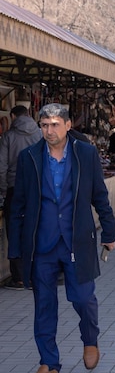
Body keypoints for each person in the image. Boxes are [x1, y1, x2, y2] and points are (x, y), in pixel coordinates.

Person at [8, 103, 115, 373]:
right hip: (41, 244)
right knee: (44, 305)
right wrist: (16, 248)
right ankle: (49, 361)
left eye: (55, 124)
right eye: (44, 125)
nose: (49, 130)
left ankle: (90, 339)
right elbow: (18, 203)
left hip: (75, 241)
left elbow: (99, 195)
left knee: (82, 298)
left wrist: (109, 233)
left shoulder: (86, 154)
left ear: (68, 125)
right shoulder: (29, 157)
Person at [0, 105, 42, 290]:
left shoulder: (8, 136)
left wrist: (2, 190)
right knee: (35, 229)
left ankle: (18, 277)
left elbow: (1, 166)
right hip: (36, 189)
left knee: (14, 230)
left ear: (13, 115)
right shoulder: (40, 134)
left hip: (14, 188)